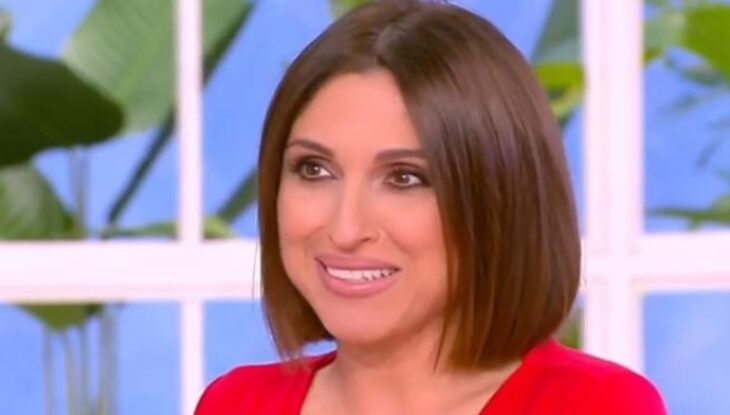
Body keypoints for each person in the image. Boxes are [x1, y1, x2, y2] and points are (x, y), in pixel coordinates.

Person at [195, 1, 667, 414]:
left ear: (497, 199)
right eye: (314, 170)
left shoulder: (595, 405)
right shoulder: (236, 404)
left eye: (404, 178)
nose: (345, 228)